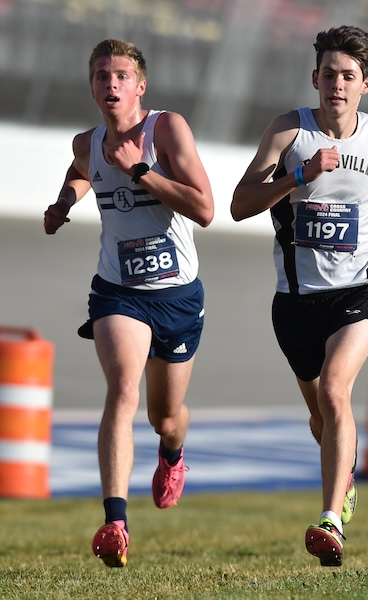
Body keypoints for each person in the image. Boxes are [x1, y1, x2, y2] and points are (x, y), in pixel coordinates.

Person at [231, 25, 368, 567]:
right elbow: (239, 205)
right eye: (328, 74)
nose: (337, 83)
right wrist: (298, 177)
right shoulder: (289, 132)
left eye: (348, 76)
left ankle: (331, 520)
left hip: (361, 290)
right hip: (297, 300)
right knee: (321, 416)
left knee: (336, 390)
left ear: (365, 84)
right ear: (315, 78)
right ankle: (344, 474)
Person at [44, 38, 214, 568]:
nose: (110, 84)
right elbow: (81, 172)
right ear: (92, 86)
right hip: (117, 291)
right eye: (101, 76)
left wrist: (142, 171)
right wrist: (64, 202)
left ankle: (173, 453)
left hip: (178, 295)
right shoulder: (85, 142)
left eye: (121, 75)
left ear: (140, 86)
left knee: (165, 416)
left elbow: (206, 208)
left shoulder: (167, 130)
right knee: (121, 391)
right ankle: (114, 522)